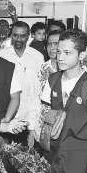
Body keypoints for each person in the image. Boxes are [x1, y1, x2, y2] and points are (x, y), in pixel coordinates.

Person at [40, 29, 87, 173]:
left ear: (82, 55)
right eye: (58, 51)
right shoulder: (52, 79)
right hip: (53, 154)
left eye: (67, 53)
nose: (60, 57)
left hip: (78, 159)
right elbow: (44, 109)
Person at [0, 21, 44, 147]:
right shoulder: (1, 56)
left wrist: (32, 127)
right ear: (11, 35)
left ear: (28, 36)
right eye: (15, 35)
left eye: (22, 35)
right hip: (6, 121)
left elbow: (36, 94)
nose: (18, 39)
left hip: (26, 121)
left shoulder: (37, 58)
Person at [34, 29, 63, 157]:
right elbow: (34, 99)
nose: (52, 48)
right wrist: (32, 129)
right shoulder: (41, 69)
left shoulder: (75, 70)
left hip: (64, 130)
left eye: (56, 44)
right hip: (42, 128)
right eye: (49, 44)